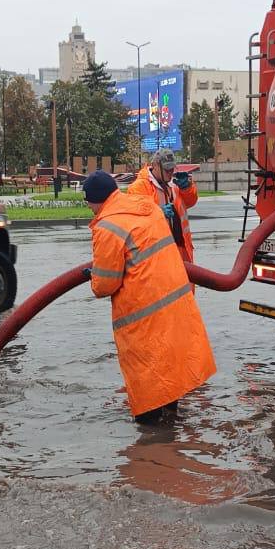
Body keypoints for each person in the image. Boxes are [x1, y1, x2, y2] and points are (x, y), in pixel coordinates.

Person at [83, 170, 216, 423]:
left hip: (145, 319)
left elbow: (103, 286)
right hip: (177, 306)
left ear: (95, 200)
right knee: (173, 374)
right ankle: (173, 437)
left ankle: (153, 450)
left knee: (148, 392)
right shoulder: (147, 208)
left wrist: (94, 274)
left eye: (87, 201)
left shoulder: (108, 226)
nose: (88, 207)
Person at [126, 148, 198, 265]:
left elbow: (190, 202)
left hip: (180, 248)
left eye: (172, 169)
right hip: (157, 251)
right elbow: (136, 218)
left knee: (184, 282)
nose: (170, 172)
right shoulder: (139, 187)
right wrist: (158, 212)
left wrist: (187, 188)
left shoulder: (173, 185)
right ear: (155, 165)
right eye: (167, 169)